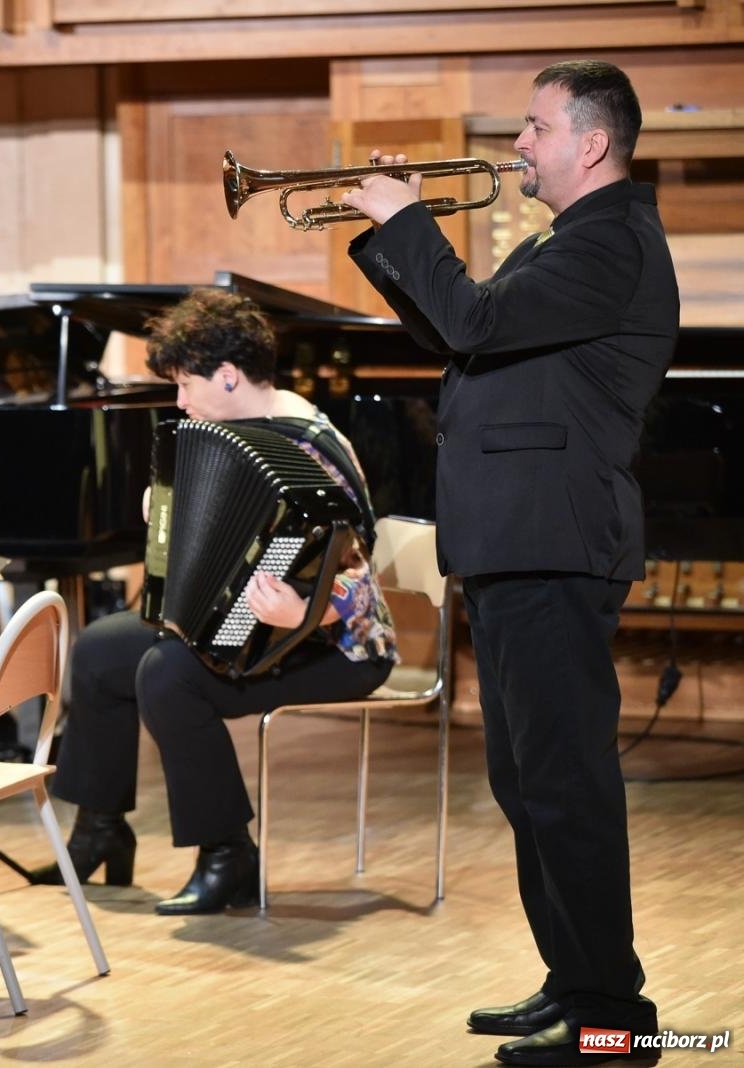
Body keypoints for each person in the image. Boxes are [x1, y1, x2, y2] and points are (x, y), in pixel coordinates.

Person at [341, 60, 675, 1067]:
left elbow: (474, 320)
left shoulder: (611, 241)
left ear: (591, 143)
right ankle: (575, 982)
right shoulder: (559, 243)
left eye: (535, 127)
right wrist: (388, 239)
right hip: (515, 542)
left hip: (552, 541)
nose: (517, 144)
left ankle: (613, 1021)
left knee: (564, 784)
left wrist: (410, 220)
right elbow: (465, 339)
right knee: (525, 781)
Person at [34, 289, 396, 916]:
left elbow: (359, 572)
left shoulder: (310, 444)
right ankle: (101, 831)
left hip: (335, 644)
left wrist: (303, 613)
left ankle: (228, 855)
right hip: (249, 629)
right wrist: (163, 513)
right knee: (98, 651)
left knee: (167, 673)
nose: (179, 401)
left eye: (184, 384)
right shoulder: (222, 434)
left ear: (228, 375)